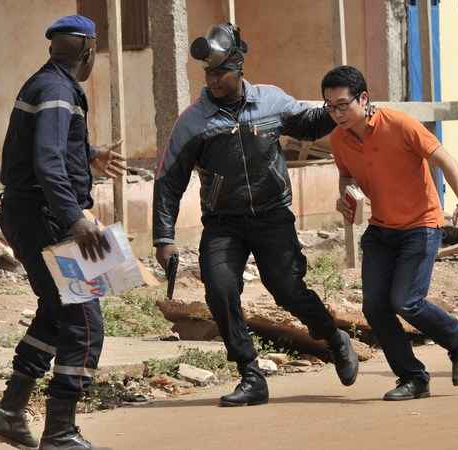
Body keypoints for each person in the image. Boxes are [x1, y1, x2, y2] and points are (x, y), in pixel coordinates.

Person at [152, 23, 359, 407]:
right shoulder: (193, 121)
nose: (213, 80)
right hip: (223, 223)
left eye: (220, 73)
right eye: (208, 74)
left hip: (272, 217)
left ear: (238, 68)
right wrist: (163, 238)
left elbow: (311, 124)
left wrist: (341, 107)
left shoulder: (272, 102)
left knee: (288, 290)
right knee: (221, 290)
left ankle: (334, 338)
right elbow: (168, 180)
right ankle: (250, 374)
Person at [0, 15, 126, 450]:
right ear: (87, 53)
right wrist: (75, 218)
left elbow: (47, 145)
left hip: (30, 214)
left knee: (55, 308)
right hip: (49, 217)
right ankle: (60, 431)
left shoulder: (47, 84)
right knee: (85, 321)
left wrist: (89, 152)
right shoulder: (60, 90)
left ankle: (10, 412)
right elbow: (46, 161)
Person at [321, 65, 458, 401]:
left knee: (406, 301)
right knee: (375, 307)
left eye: (342, 105)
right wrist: (346, 198)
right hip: (381, 231)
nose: (336, 114)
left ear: (363, 99)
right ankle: (413, 378)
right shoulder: (338, 139)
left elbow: (446, 160)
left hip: (420, 227)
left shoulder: (399, 124)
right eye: (330, 107)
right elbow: (347, 176)